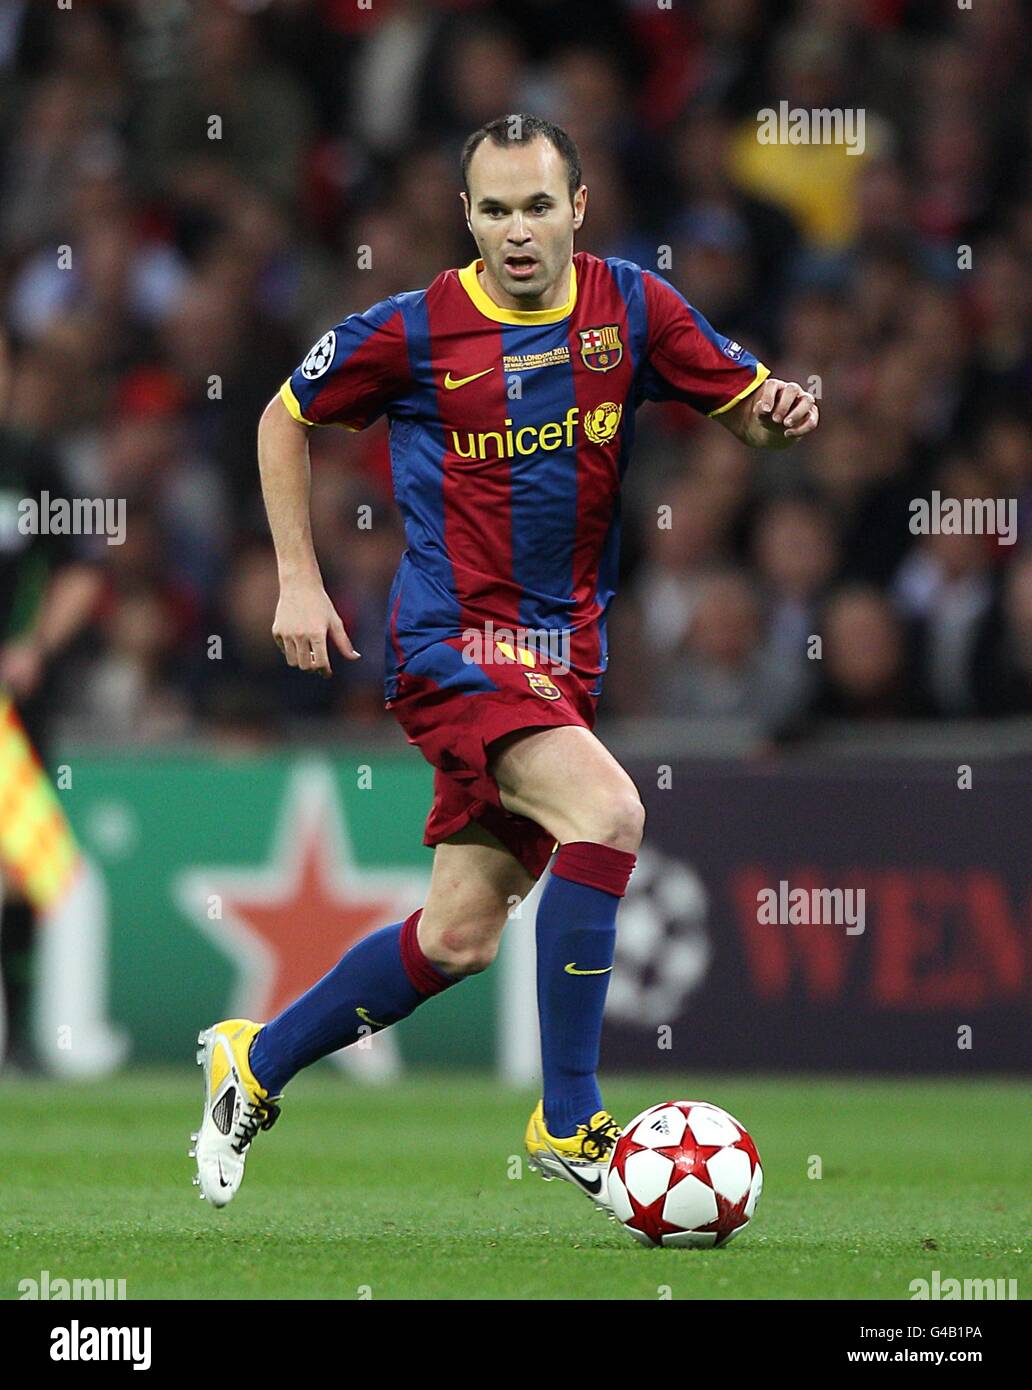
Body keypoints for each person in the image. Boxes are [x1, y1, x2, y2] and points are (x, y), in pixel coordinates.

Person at [191, 115, 819, 1210]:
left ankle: (254, 1062)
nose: (517, 231)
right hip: (452, 645)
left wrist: (780, 415)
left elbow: (751, 418)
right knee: (612, 812)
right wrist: (297, 576)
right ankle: (569, 1116)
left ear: (578, 207)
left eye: (538, 206)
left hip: (563, 658)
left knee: (459, 936)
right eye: (494, 209)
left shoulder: (634, 307)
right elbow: (281, 419)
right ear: (466, 215)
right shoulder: (412, 329)